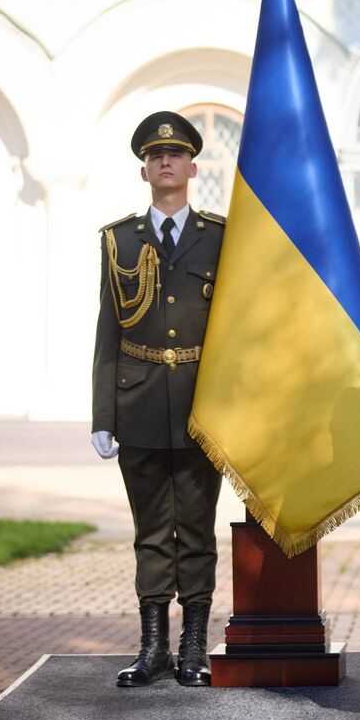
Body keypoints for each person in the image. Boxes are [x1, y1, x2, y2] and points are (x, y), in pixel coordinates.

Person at [91, 111, 225, 687]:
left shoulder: (220, 237)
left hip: (200, 405)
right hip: (139, 403)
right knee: (150, 531)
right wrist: (102, 414)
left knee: (195, 529)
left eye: (175, 154)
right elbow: (108, 330)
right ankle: (153, 648)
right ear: (144, 170)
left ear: (192, 168)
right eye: (154, 155)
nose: (165, 161)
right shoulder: (119, 239)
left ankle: (193, 648)